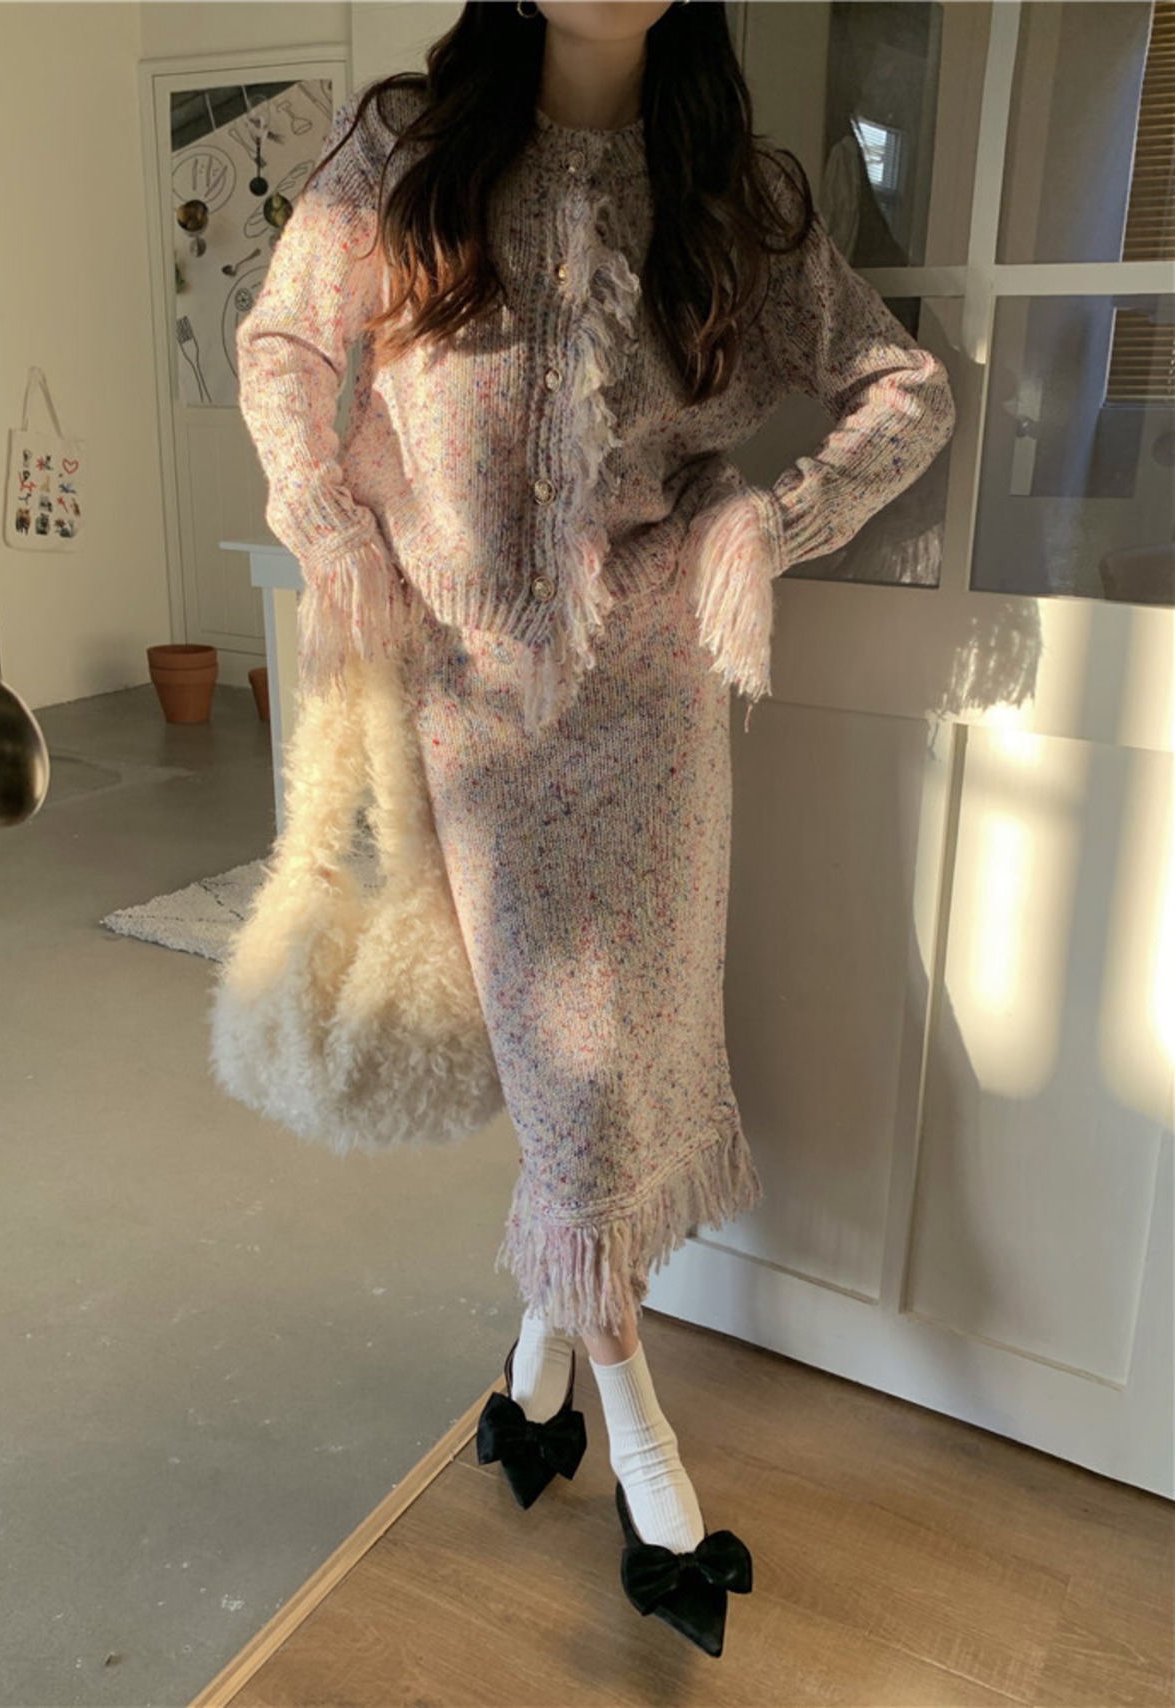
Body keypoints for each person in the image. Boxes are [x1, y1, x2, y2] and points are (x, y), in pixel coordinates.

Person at [235, 0, 955, 1656]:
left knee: (606, 1078)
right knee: (563, 1080)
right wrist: (333, 529)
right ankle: (645, 1459)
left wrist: (766, 524)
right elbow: (283, 345)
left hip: (653, 705)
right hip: (472, 709)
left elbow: (907, 391)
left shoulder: (736, 193)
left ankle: (542, 1384)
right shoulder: (404, 146)